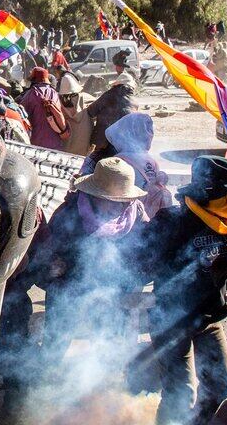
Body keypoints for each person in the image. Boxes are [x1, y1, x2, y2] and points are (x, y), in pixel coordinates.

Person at [133, 156, 227, 425]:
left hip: (210, 318)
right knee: (180, 396)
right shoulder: (172, 221)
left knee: (222, 384)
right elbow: (138, 264)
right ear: (209, 195)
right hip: (170, 321)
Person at [39, 157, 149, 371]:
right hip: (69, 289)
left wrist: (133, 283)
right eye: (112, 200)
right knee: (56, 341)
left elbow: (146, 252)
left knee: (109, 347)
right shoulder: (69, 212)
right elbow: (47, 253)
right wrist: (55, 269)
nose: (120, 205)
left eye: (123, 200)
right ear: (94, 196)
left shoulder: (135, 212)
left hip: (114, 291)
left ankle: (103, 383)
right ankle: (43, 379)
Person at [85, 73, 138, 158]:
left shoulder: (109, 95)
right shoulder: (135, 102)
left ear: (117, 85)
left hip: (102, 142)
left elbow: (91, 111)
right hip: (123, 146)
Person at [19, 67, 65, 150]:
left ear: (34, 80)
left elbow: (22, 113)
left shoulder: (31, 94)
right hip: (55, 141)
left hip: (37, 141)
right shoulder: (54, 93)